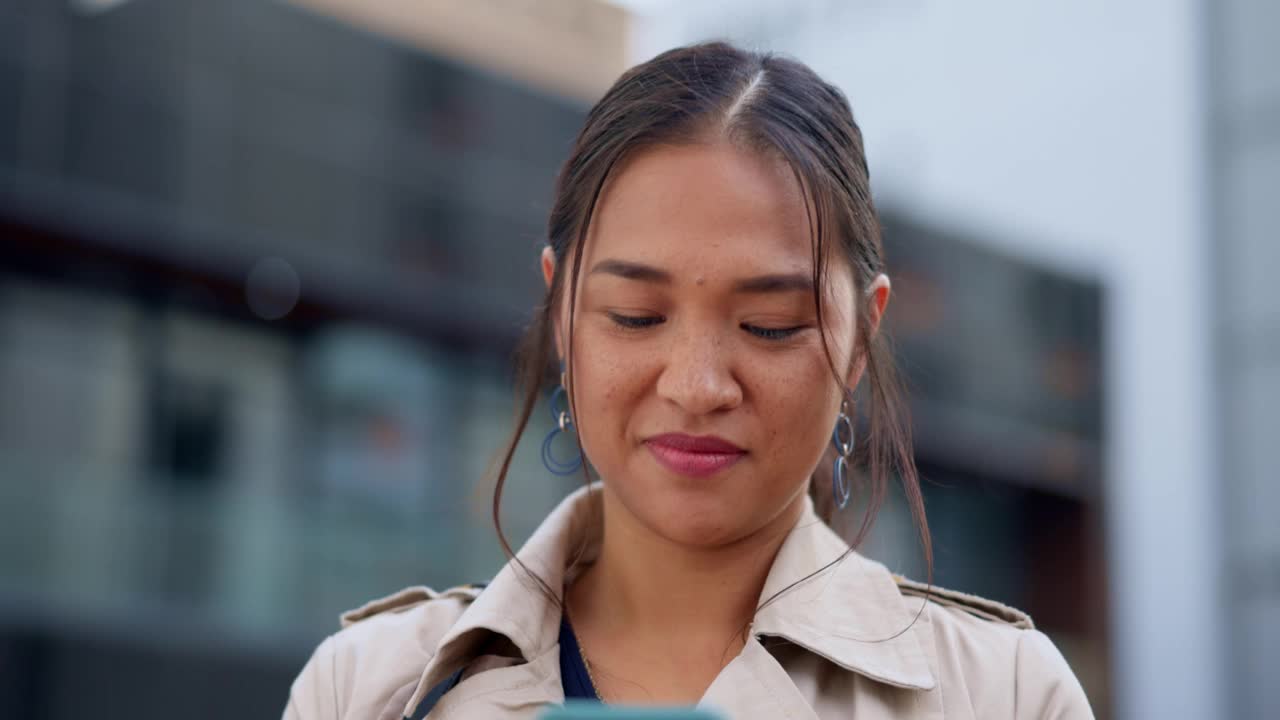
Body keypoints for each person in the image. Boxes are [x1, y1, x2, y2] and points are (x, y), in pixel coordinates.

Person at [282, 41, 1094, 720]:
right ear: (562, 314)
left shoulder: (1004, 694)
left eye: (770, 326)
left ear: (860, 339)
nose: (698, 385)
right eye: (636, 314)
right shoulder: (365, 690)